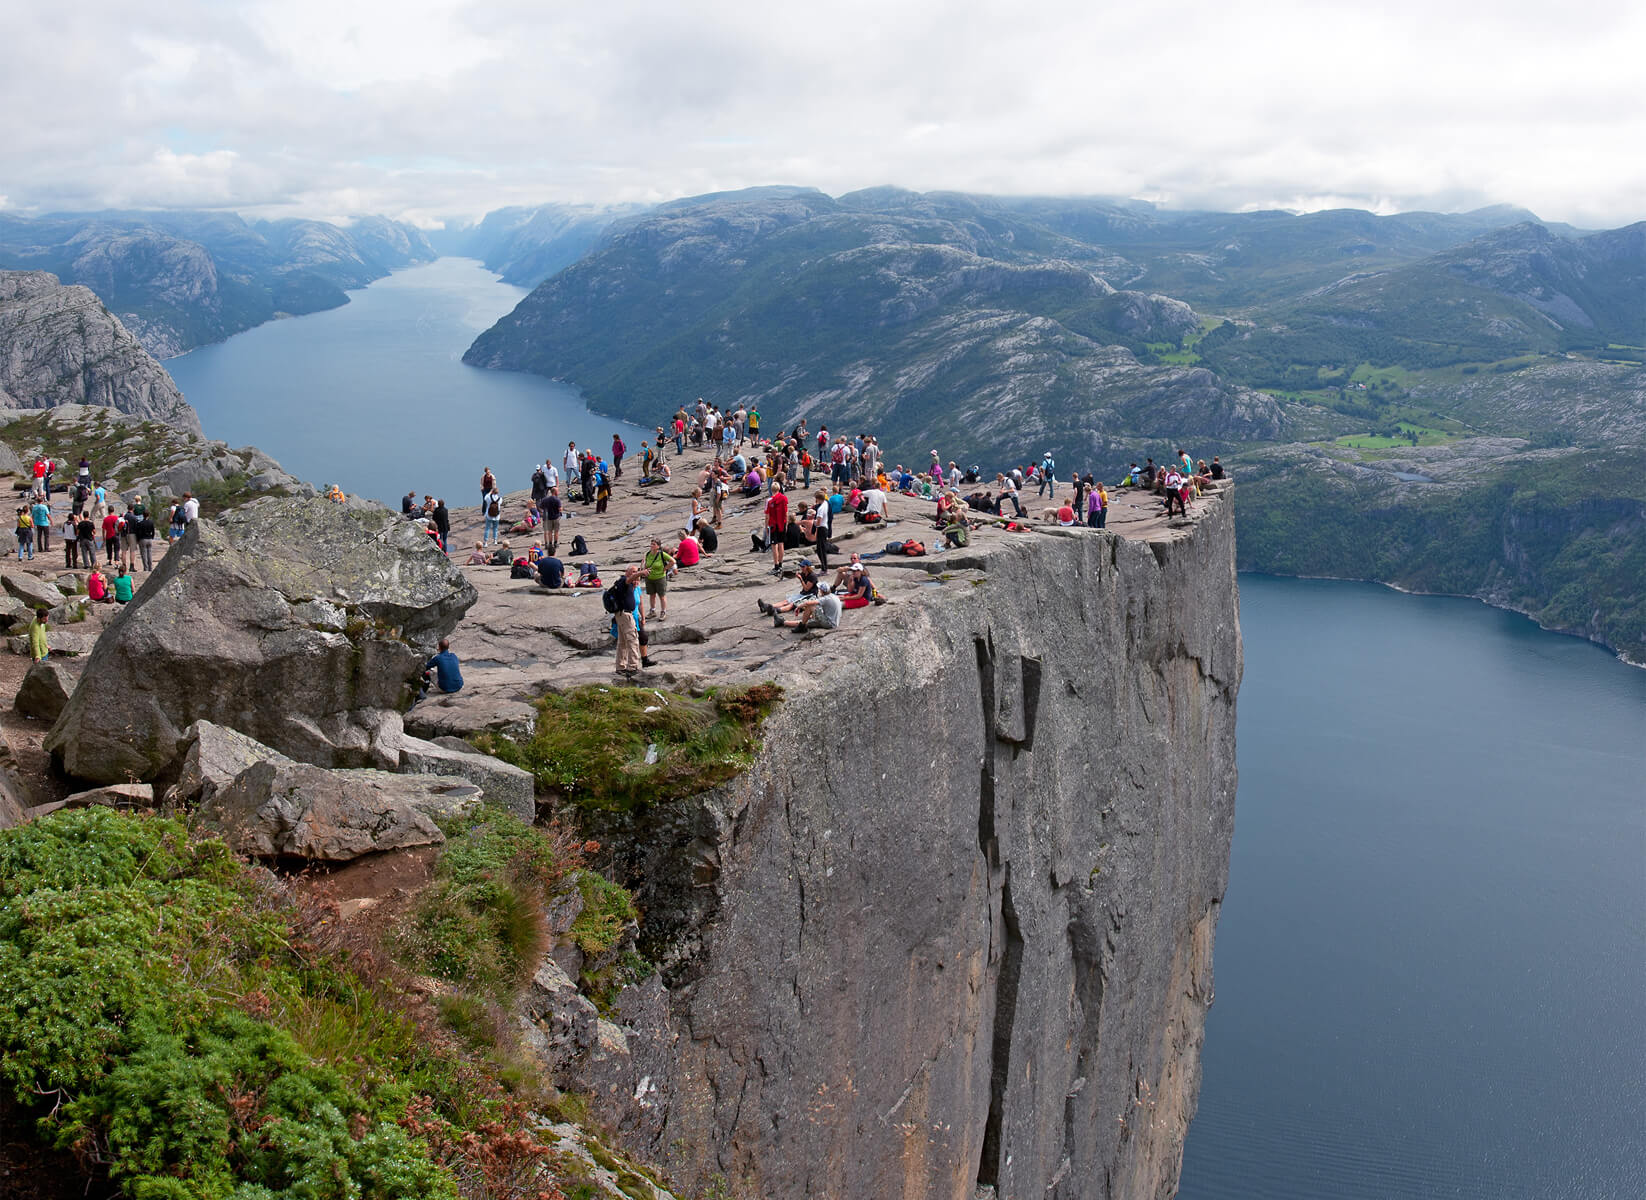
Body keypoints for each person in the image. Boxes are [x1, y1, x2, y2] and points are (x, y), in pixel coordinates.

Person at [610, 564, 643, 678]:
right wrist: (641, 573)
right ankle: (632, 666)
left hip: (621, 615)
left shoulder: (626, 583)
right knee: (632, 640)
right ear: (627, 572)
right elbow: (630, 579)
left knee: (622, 642)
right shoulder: (623, 581)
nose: (635, 573)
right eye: (633, 571)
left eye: (636, 571)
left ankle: (621, 666)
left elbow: (632, 584)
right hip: (625, 615)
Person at [643, 537, 676, 620]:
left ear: (658, 546)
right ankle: (652, 611)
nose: (651, 546)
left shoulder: (661, 554)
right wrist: (644, 570)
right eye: (651, 544)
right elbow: (645, 564)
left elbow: (673, 561)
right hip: (649, 578)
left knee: (662, 596)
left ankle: (663, 612)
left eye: (653, 544)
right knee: (652, 595)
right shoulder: (648, 554)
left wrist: (665, 568)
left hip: (660, 578)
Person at [764, 487, 789, 574]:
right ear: (779, 489)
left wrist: (766, 526)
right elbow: (786, 512)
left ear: (772, 490)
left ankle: (776, 565)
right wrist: (786, 524)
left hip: (773, 524)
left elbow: (767, 515)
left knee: (774, 546)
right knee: (781, 544)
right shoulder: (784, 498)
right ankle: (781, 564)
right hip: (782, 523)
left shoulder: (769, 501)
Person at [541, 487, 562, 555]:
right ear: (555, 492)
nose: (558, 492)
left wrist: (543, 513)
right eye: (557, 491)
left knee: (549, 532)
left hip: (547, 518)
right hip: (556, 517)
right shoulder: (557, 500)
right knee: (556, 531)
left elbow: (540, 507)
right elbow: (560, 509)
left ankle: (549, 544)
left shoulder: (545, 500)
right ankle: (555, 543)